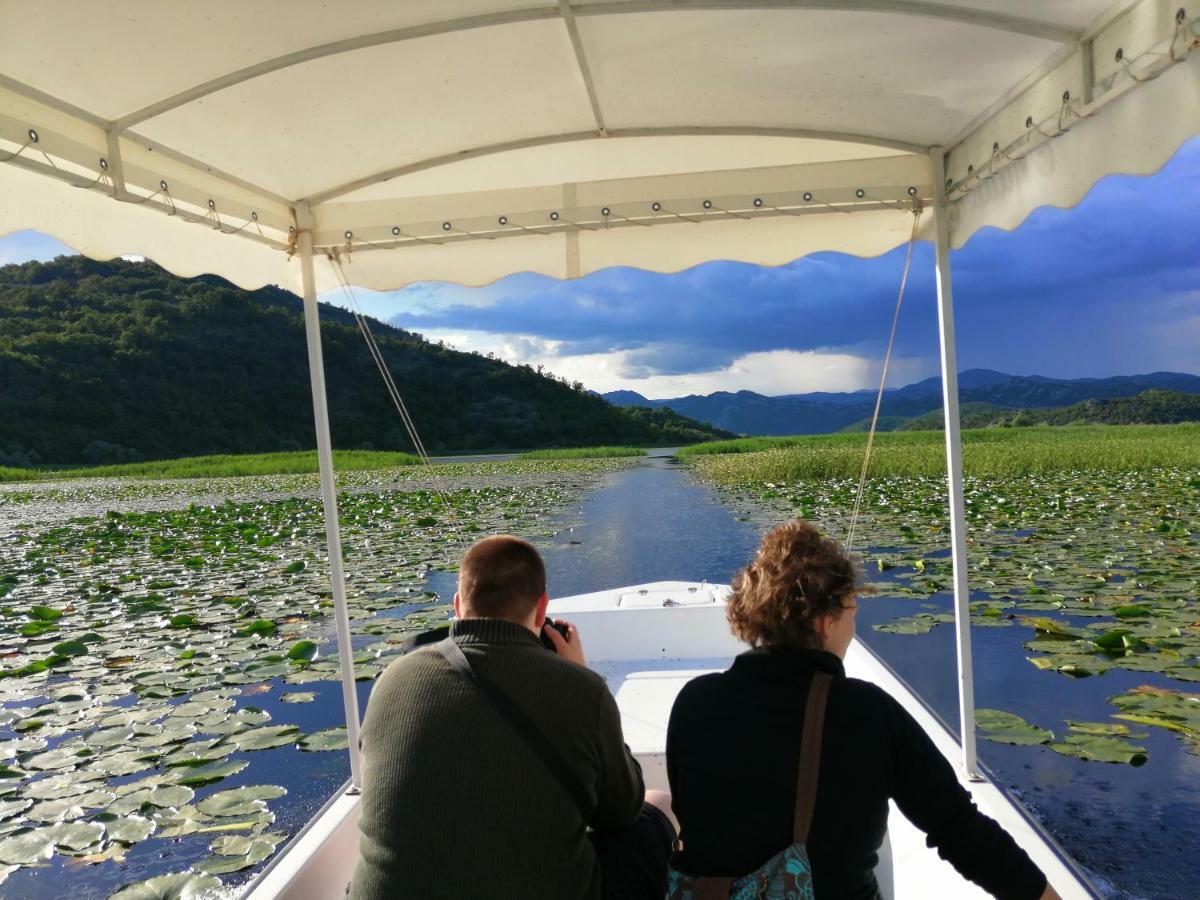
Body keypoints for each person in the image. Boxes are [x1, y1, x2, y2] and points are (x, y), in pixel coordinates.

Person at [666, 520, 1063, 900]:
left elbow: (692, 816)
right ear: (825, 623)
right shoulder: (867, 713)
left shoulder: (694, 701)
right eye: (852, 612)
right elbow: (959, 830)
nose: (853, 628)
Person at [350, 534, 676, 900]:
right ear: (542, 609)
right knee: (659, 803)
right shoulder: (581, 689)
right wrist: (582, 675)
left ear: (458, 605)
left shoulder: (392, 678)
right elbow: (622, 810)